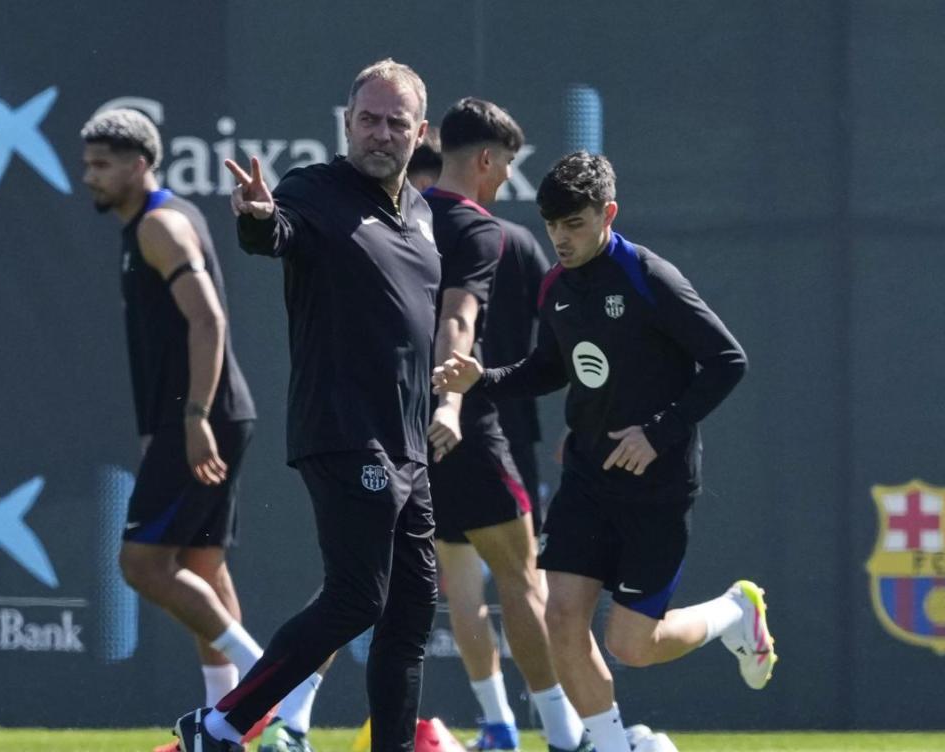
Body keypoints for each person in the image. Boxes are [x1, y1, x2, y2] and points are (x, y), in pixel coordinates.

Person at [434, 152, 772, 752]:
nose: (562, 239)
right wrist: (479, 378)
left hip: (657, 484)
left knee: (630, 645)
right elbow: (546, 369)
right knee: (561, 617)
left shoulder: (650, 277)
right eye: (553, 227)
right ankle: (613, 746)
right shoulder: (556, 286)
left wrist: (658, 432)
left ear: (607, 213)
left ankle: (732, 613)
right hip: (588, 480)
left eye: (576, 225)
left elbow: (728, 361)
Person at [174, 59, 443, 752]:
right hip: (346, 432)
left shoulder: (418, 211)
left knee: (411, 614)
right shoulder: (315, 190)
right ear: (346, 122)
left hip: (408, 446)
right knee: (358, 597)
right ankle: (220, 725)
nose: (380, 134)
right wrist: (259, 219)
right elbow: (276, 232)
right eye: (368, 120)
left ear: (419, 133)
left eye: (395, 123)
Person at [79, 107, 267, 729]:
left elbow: (209, 320)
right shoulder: (146, 226)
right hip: (201, 416)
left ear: (140, 164)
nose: (91, 177)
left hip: (203, 416)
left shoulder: (161, 225)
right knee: (202, 567)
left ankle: (270, 683)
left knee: (142, 564)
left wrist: (192, 418)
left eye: (103, 165)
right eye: (87, 165)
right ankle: (230, 722)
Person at [421, 99, 585, 752]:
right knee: (523, 586)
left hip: (409, 433)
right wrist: (453, 402)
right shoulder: (498, 234)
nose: (505, 181)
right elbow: (461, 325)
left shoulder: (398, 222)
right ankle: (568, 734)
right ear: (485, 160)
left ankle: (496, 726)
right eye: (507, 168)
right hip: (483, 430)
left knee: (415, 588)